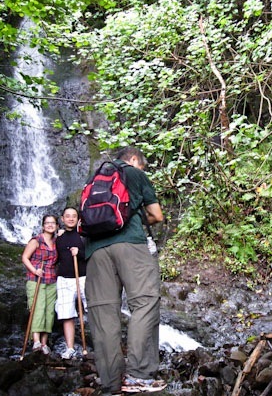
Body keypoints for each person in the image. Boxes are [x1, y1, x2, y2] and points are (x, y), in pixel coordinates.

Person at [85, 147, 166, 394]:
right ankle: (139, 375)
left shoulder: (94, 178)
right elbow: (157, 215)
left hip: (95, 251)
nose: (141, 169)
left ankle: (111, 383)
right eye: (141, 165)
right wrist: (138, 219)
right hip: (130, 244)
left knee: (103, 313)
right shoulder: (134, 174)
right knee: (145, 303)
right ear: (133, 159)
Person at [21, 214, 58, 355]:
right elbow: (25, 257)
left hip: (51, 280)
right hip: (36, 279)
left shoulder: (56, 241)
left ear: (57, 226)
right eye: (47, 223)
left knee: (49, 311)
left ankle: (44, 343)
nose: (50, 225)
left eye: (53, 223)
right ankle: (36, 341)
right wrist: (35, 270)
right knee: (38, 308)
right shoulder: (36, 241)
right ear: (43, 226)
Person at [55, 207, 87, 359]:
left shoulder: (84, 235)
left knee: (92, 309)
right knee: (66, 314)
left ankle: (99, 345)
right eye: (67, 216)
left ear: (78, 219)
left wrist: (79, 253)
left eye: (74, 216)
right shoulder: (58, 238)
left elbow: (92, 255)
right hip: (64, 279)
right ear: (62, 219)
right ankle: (70, 348)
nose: (71, 218)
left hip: (83, 277)